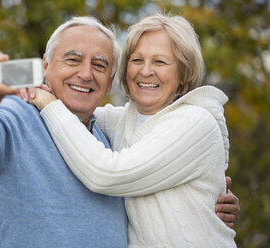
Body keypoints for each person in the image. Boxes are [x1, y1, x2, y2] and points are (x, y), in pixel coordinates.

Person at [0, 16, 238, 247]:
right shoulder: (19, 117)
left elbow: (113, 172)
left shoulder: (106, 134)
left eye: (99, 64)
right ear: (45, 66)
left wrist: (202, 198)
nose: (85, 73)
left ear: (109, 82)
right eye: (72, 59)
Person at [27, 14, 237, 247]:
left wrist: (47, 103)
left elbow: (107, 174)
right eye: (137, 60)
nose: (146, 71)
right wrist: (28, 87)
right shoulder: (120, 121)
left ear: (183, 72)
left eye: (160, 62)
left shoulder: (195, 122)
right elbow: (74, 108)